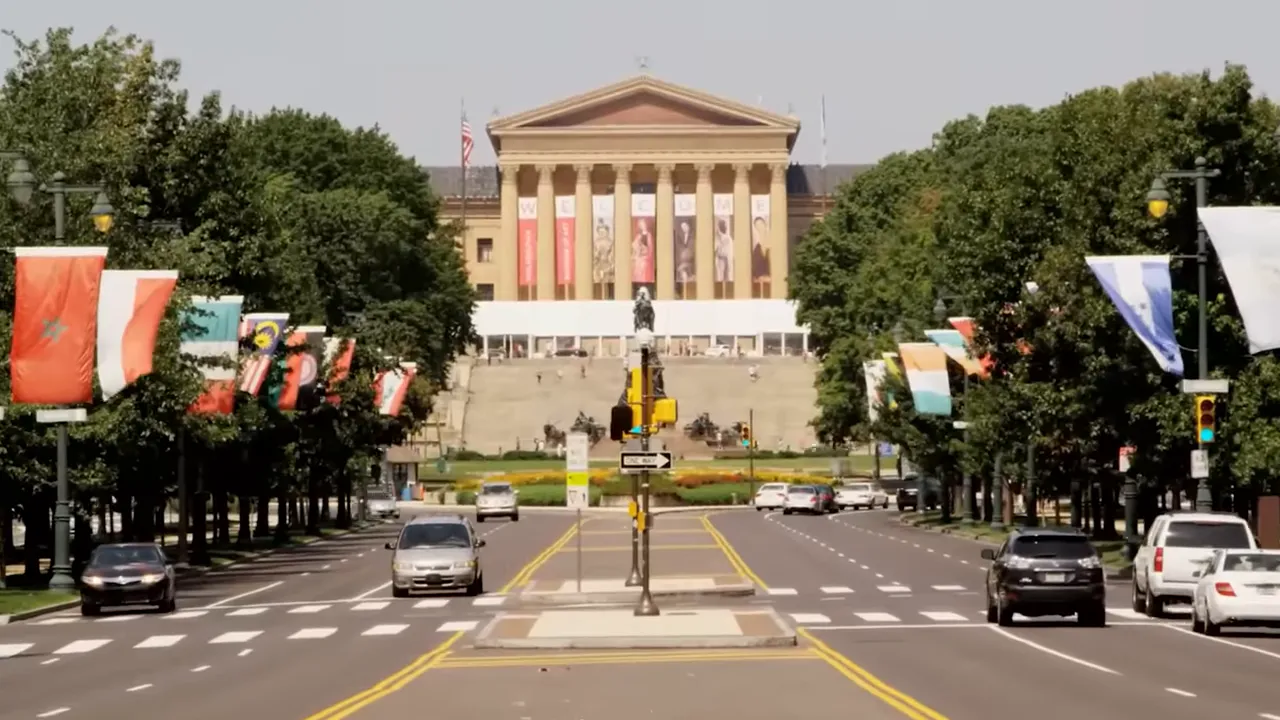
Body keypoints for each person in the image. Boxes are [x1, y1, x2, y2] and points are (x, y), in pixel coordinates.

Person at [751, 216, 770, 281]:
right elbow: (756, 269)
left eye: (761, 225)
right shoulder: (757, 248)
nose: (760, 228)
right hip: (763, 279)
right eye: (757, 227)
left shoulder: (773, 241)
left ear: (765, 225)